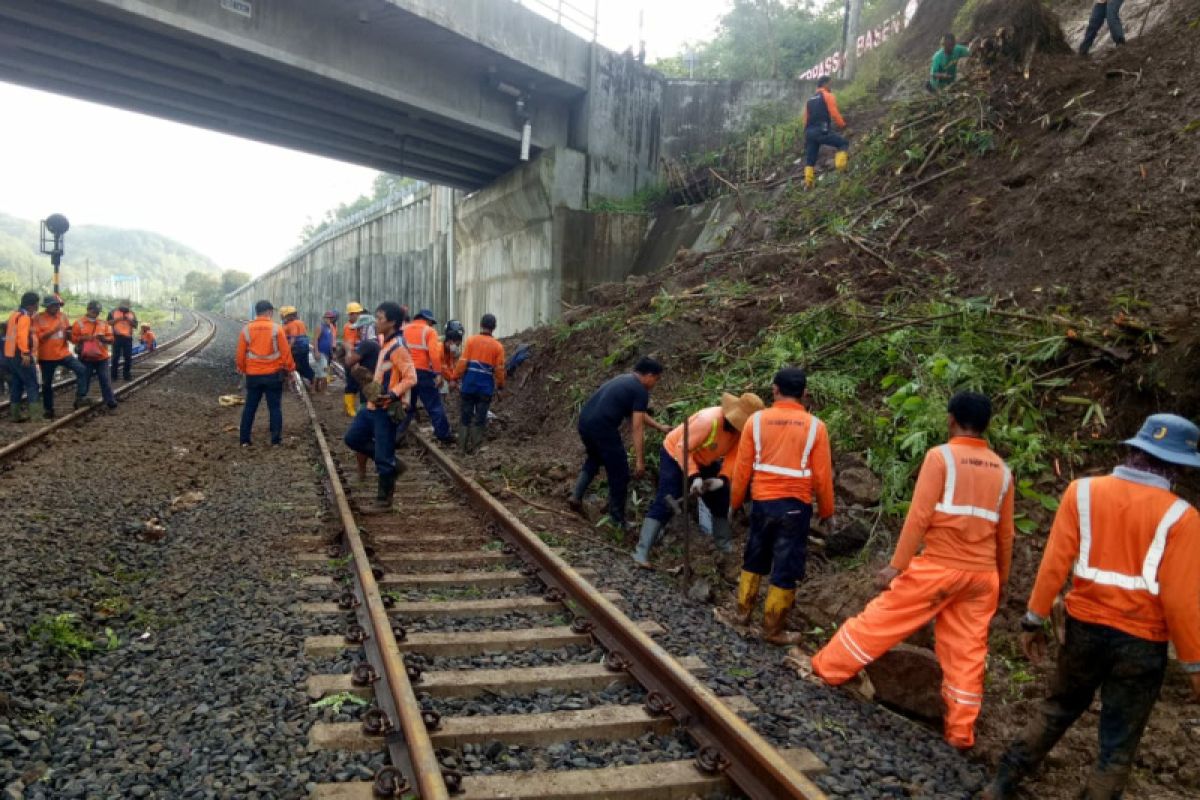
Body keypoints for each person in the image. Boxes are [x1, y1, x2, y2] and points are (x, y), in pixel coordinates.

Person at [983, 413, 1200, 799]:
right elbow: (1182, 602)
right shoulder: (1183, 518)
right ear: (1178, 467)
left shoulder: (1081, 492)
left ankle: (1000, 785)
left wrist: (1033, 620)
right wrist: (1194, 665)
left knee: (1056, 709)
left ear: (1134, 451)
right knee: (1117, 744)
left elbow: (1054, 564)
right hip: (1141, 645)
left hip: (1083, 631)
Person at [793, 391, 1013, 749]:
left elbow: (920, 516)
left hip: (940, 567)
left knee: (882, 619)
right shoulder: (1003, 472)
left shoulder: (941, 457)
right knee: (968, 653)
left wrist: (897, 566)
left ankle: (827, 668)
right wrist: (1000, 581)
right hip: (982, 575)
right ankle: (960, 733)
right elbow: (1006, 535)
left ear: (952, 419)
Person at [723, 368, 834, 645]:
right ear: (804, 393)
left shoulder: (756, 422)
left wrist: (734, 502)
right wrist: (827, 510)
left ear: (774, 390)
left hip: (762, 503)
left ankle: (741, 615)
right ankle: (772, 630)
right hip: (796, 507)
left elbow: (742, 469)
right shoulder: (816, 427)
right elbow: (822, 476)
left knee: (754, 557)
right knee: (786, 565)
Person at [633, 392, 765, 572]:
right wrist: (694, 477)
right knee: (668, 499)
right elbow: (682, 448)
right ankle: (641, 552)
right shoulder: (707, 421)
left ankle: (724, 548)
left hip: (704, 460)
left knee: (722, 498)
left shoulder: (741, 432)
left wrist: (723, 478)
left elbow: (735, 456)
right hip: (675, 454)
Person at [568, 357, 670, 530]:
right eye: (656, 379)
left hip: (585, 423)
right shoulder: (640, 391)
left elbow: (639, 414)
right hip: (603, 428)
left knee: (595, 458)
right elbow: (636, 426)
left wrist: (659, 427)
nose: (655, 383)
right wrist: (640, 461)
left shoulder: (625, 380)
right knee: (620, 472)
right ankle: (617, 520)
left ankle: (575, 496)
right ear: (649, 375)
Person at [344, 301, 417, 509]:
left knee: (384, 455)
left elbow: (411, 378)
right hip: (372, 406)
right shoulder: (386, 343)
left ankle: (384, 499)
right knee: (353, 438)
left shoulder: (398, 347)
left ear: (392, 322)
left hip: (385, 408)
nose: (376, 322)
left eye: (380, 319)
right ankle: (393, 464)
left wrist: (393, 395)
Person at [235, 300, 295, 447]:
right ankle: (275, 440)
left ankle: (244, 440)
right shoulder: (276, 329)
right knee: (274, 408)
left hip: (253, 375)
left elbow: (240, 354)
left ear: (257, 312)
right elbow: (285, 352)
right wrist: (290, 369)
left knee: (250, 407)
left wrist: (243, 369)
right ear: (269, 312)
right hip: (273, 374)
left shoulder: (246, 329)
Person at [397, 308, 454, 444]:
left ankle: (396, 437)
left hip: (405, 372)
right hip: (422, 372)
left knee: (407, 406)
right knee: (434, 405)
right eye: (431, 322)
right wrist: (438, 373)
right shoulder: (429, 331)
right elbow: (434, 354)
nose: (432, 325)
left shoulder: (404, 330)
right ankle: (443, 435)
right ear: (427, 320)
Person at [454, 313, 505, 455]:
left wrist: (454, 378)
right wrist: (500, 387)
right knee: (480, 418)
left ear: (481, 325)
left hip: (469, 386)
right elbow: (499, 370)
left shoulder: (471, 341)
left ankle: (461, 448)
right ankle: (476, 448)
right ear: (494, 327)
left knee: (465, 416)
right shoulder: (498, 347)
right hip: (485, 389)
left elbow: (462, 363)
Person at [33, 295, 88, 419]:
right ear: (47, 306)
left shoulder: (63, 317)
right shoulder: (38, 318)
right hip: (46, 357)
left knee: (81, 370)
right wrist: (54, 329)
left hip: (63, 353)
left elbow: (68, 334)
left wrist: (74, 338)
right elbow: (39, 337)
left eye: (58, 305)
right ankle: (49, 410)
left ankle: (80, 398)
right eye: (54, 305)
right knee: (47, 385)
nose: (57, 308)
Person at [344, 313, 382, 480]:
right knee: (377, 433)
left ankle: (363, 471)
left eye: (359, 329)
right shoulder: (380, 343)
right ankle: (380, 467)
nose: (357, 332)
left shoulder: (367, 344)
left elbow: (349, 362)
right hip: (379, 392)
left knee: (359, 436)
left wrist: (348, 349)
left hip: (369, 395)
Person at [802, 75, 849, 189]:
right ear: (824, 84)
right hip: (821, 130)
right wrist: (842, 125)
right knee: (843, 143)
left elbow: (805, 120)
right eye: (830, 84)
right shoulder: (828, 95)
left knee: (810, 158)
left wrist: (806, 135)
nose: (830, 86)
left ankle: (808, 183)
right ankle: (841, 169)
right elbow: (834, 112)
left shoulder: (810, 100)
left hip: (810, 133)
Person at [71, 301, 118, 409]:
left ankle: (110, 400)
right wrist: (83, 338)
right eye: (94, 311)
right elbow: (73, 338)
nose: (96, 314)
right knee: (84, 379)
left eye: (97, 312)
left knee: (105, 379)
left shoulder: (103, 323)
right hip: (86, 357)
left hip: (102, 357)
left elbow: (111, 339)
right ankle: (80, 399)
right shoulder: (78, 323)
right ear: (88, 310)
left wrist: (104, 338)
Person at [4, 291, 41, 422]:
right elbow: (22, 336)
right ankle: (36, 417)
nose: (37, 307)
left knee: (17, 385)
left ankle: (15, 415)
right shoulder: (25, 317)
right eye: (37, 304)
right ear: (31, 305)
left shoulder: (14, 315)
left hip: (10, 356)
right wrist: (25, 353)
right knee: (32, 384)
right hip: (21, 356)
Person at [340, 302, 367, 418]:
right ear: (351, 315)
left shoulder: (359, 325)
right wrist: (353, 362)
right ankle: (349, 409)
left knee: (360, 384)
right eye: (356, 314)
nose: (358, 316)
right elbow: (349, 345)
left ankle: (354, 407)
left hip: (359, 357)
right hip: (353, 358)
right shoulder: (349, 327)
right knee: (352, 384)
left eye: (359, 313)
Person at [280, 306, 315, 388]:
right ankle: (311, 380)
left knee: (298, 366)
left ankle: (312, 380)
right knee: (304, 365)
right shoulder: (299, 322)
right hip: (303, 348)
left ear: (288, 316)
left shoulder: (292, 324)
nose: (282, 317)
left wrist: (288, 349)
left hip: (297, 349)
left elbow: (293, 338)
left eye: (283, 316)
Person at [107, 299, 138, 382]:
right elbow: (109, 322)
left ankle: (126, 375)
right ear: (120, 304)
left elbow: (135, 325)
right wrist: (119, 319)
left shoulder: (132, 313)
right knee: (115, 357)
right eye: (124, 305)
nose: (126, 307)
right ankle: (114, 376)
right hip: (116, 337)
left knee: (128, 357)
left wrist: (128, 320)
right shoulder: (113, 312)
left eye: (128, 305)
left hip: (128, 338)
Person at [314, 310, 337, 394]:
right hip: (321, 352)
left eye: (331, 318)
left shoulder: (330, 328)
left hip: (327, 353)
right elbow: (315, 339)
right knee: (323, 372)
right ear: (324, 318)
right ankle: (324, 390)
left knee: (320, 372)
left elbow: (330, 341)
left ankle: (316, 389)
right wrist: (316, 351)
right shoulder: (320, 327)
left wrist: (332, 353)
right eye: (328, 318)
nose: (329, 320)